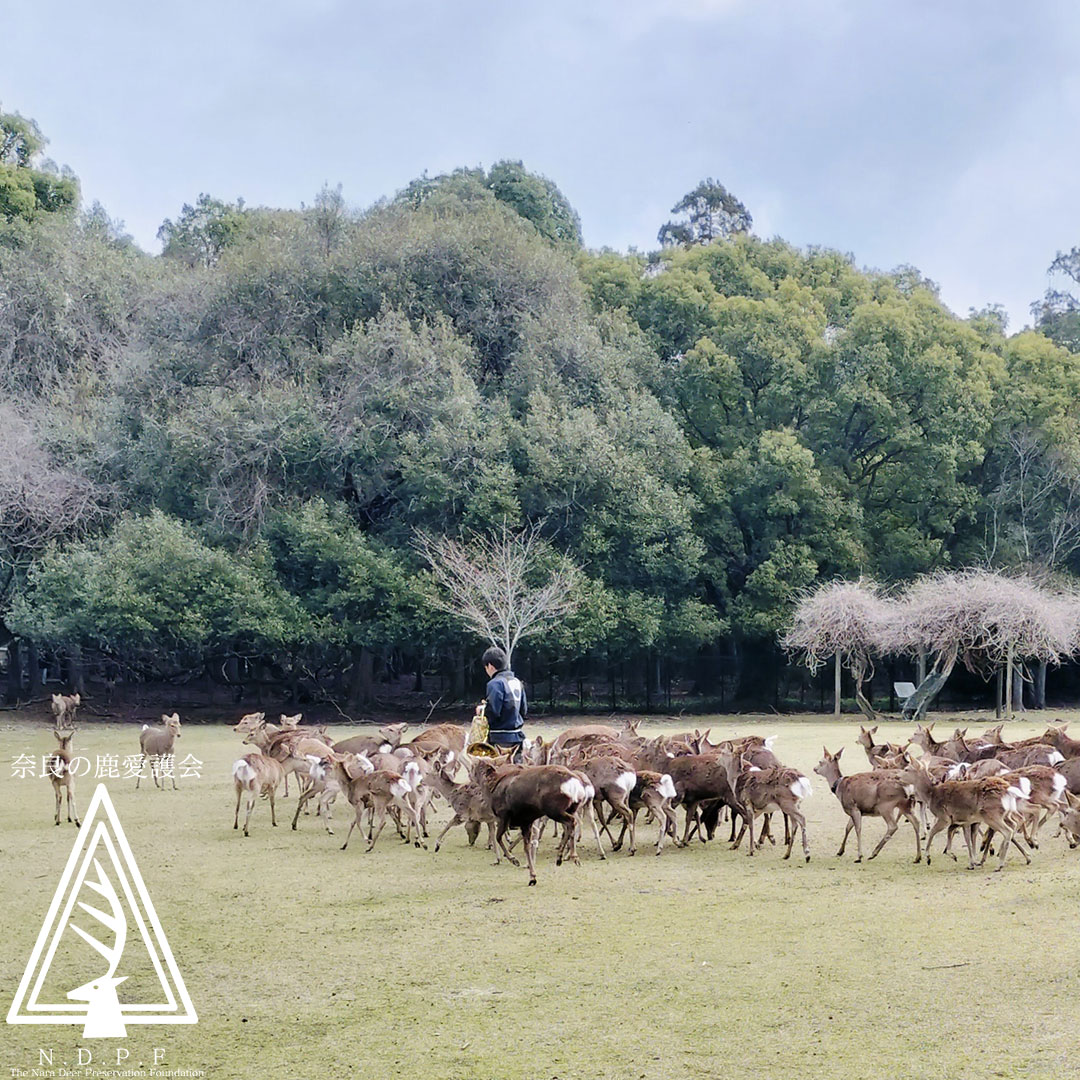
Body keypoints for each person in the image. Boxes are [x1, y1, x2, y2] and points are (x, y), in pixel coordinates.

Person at [478, 646, 527, 759]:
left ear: (490, 666)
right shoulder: (516, 681)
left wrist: (482, 710)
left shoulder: (495, 683)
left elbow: (494, 711)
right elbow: (524, 710)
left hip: (499, 739)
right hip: (517, 737)